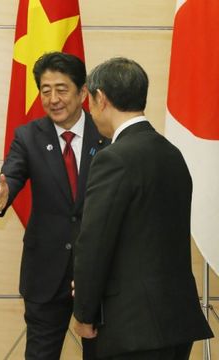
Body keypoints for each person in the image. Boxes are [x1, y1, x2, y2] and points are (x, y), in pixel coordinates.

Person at [73, 57, 213, 359]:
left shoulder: (114, 158)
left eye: (90, 101)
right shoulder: (171, 153)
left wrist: (83, 313)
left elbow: (95, 242)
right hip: (177, 322)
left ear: (101, 99)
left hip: (133, 328)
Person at [0, 52, 108, 359]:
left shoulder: (105, 133)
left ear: (82, 92)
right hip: (45, 271)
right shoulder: (28, 136)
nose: (53, 98)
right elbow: (10, 174)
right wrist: (2, 192)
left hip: (98, 269)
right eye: (45, 89)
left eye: (62, 89)